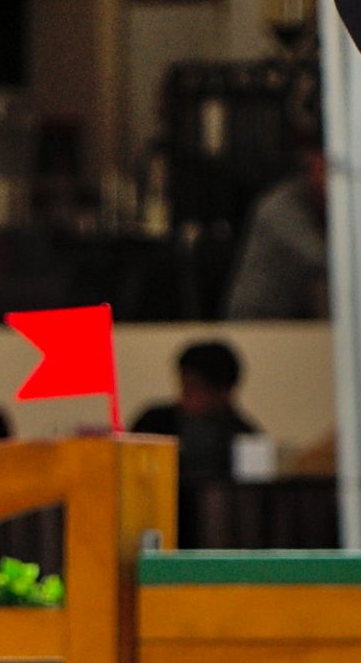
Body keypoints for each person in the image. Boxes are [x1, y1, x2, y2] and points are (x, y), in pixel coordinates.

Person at [226, 132, 329, 320]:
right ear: (312, 161)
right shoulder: (279, 207)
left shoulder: (322, 206)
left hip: (298, 321)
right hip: (256, 322)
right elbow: (321, 257)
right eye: (327, 168)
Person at [130, 339, 262, 484]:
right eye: (183, 385)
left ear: (223, 392)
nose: (183, 395)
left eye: (194, 388)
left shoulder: (245, 439)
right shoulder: (154, 423)